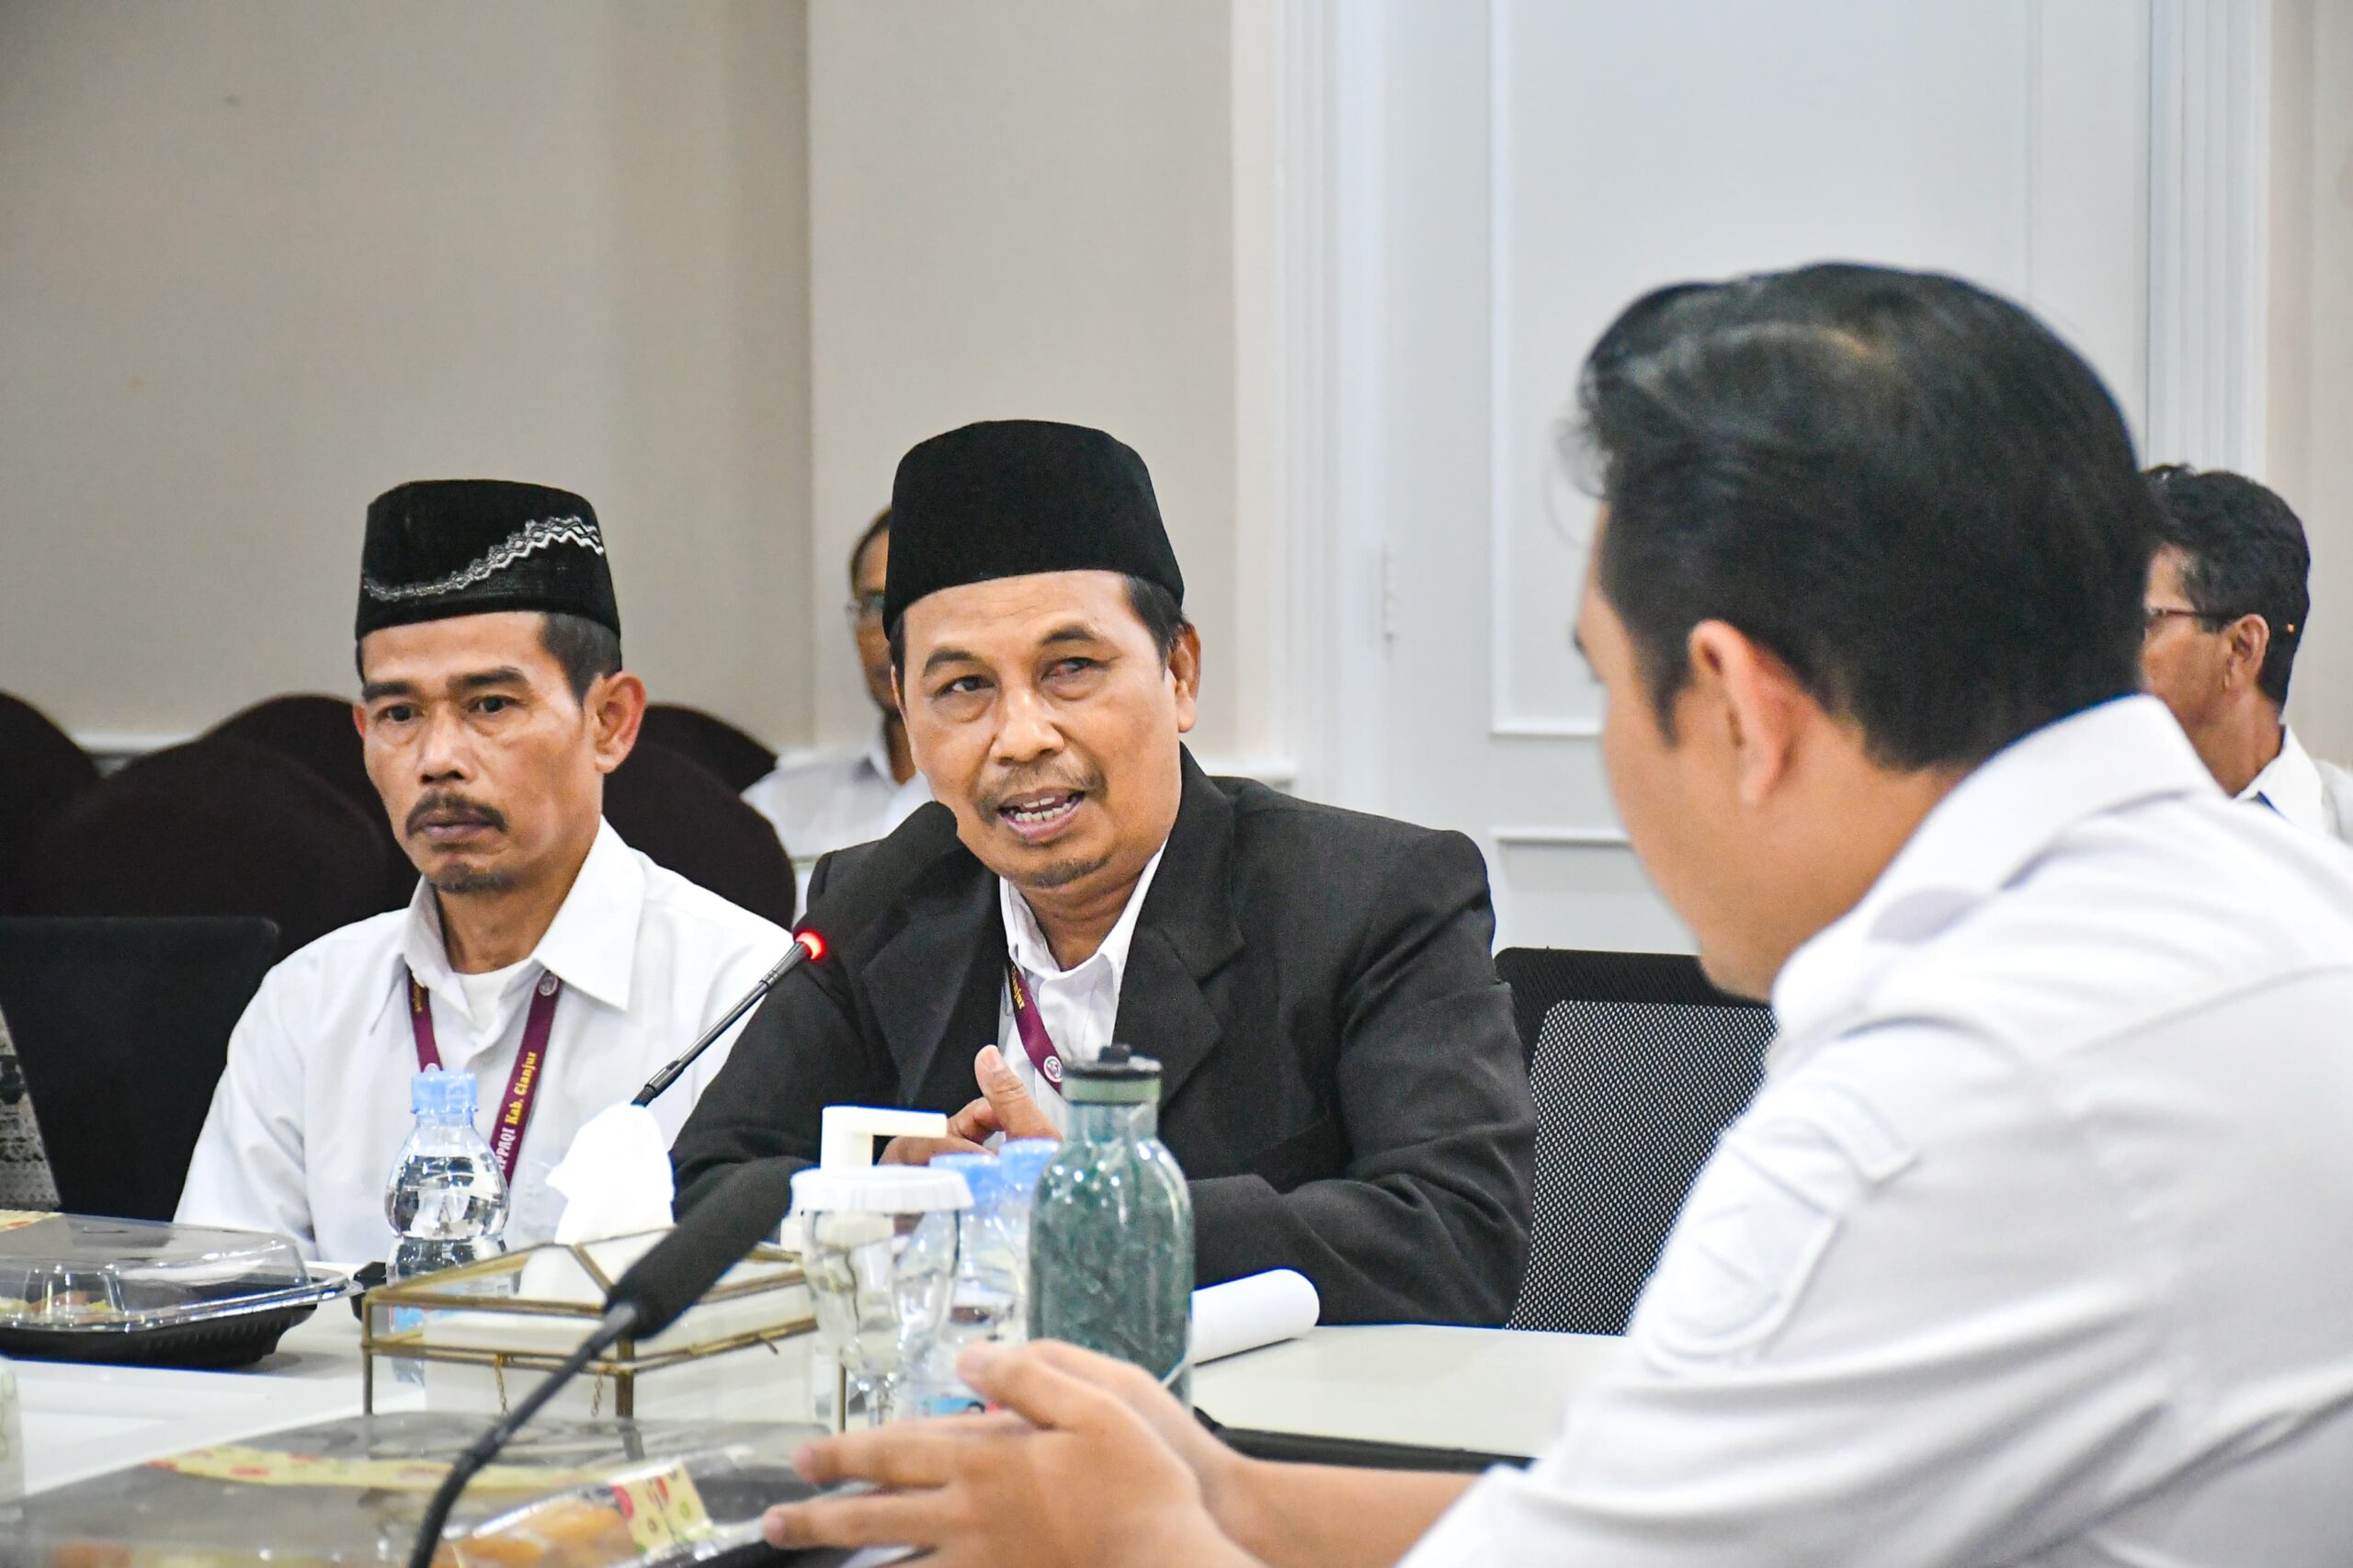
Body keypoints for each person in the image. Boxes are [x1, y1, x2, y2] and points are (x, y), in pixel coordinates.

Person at [756, 268, 2353, 1565]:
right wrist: (1217, 1492)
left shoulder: (1938, 1108)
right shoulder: (2274, 906)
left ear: (1736, 702)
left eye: (1601, 682)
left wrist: (1143, 1546)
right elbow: (1628, 1524)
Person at [671, 419, 1534, 1326]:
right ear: (906, 708)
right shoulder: (881, 905)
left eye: (1071, 669)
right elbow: (715, 1182)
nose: (1020, 737)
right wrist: (870, 1204)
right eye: (963, 687)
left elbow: (1455, 1238)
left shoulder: (1372, 897)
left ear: (1179, 673)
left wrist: (1095, 1218)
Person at [178, 480, 791, 1262]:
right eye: (400, 715)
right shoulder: (308, 1005)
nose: (438, 760)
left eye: (491, 705)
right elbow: (222, 1295)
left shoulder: (740, 994)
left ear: (610, 722)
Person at [2139, 463, 2353, 841]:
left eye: (2142, 623)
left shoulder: (2340, 841)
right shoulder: (2083, 825)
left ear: (2241, 649)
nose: (2111, 647)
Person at [741, 508, 932, 903]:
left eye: (912, 601)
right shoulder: (777, 810)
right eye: (875, 604)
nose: (890, 633)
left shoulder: (1010, 804)